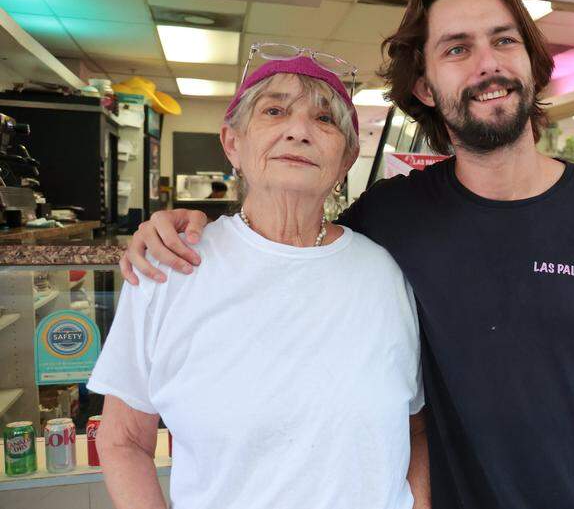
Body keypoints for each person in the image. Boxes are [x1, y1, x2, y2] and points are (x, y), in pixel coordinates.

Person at [120, 0, 574, 509]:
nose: (487, 64)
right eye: (457, 49)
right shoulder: (391, 218)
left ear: (533, 61)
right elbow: (293, 235)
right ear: (424, 84)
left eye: (505, 41)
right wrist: (185, 223)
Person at [90, 57, 426, 509]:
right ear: (233, 143)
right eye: (274, 111)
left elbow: (415, 428)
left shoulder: (386, 272)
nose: (299, 130)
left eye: (324, 119)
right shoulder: (170, 267)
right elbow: (124, 439)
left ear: (347, 157)